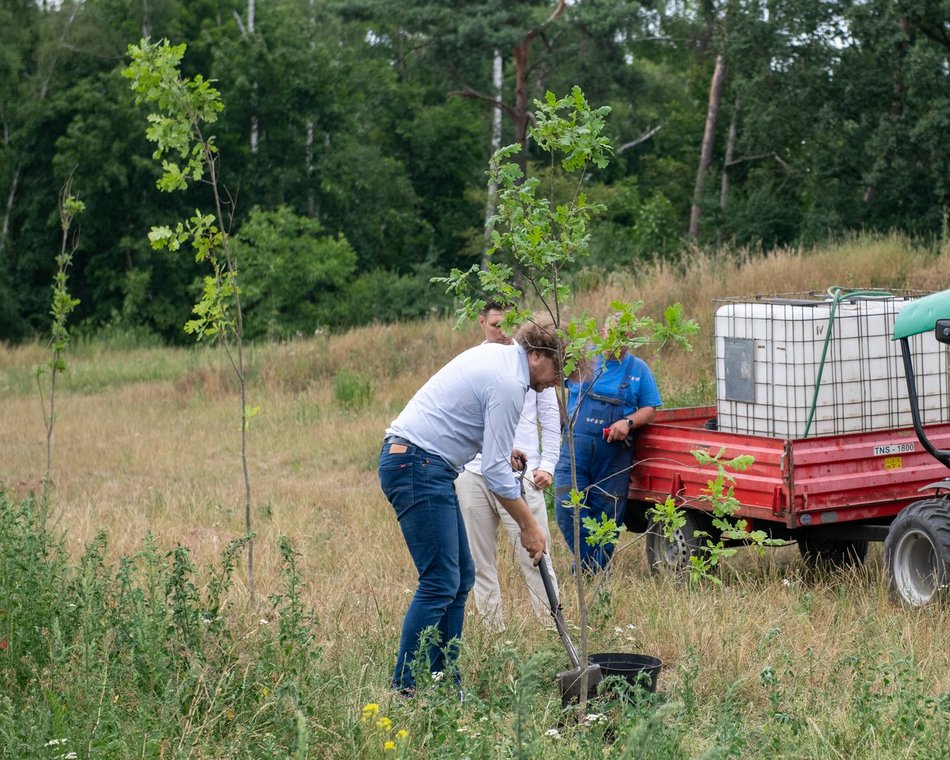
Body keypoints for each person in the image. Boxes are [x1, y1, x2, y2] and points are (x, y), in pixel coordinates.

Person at [379, 317, 562, 694]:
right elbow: (494, 474)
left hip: (421, 462)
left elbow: (468, 424)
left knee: (459, 576)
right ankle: (404, 688)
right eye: (558, 369)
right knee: (439, 581)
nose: (557, 381)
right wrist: (529, 525)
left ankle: (445, 683)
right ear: (539, 356)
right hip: (416, 464)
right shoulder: (511, 380)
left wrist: (499, 448)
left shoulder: (501, 361)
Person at [455, 303, 561, 629]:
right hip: (473, 472)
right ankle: (494, 638)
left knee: (536, 555)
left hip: (519, 472)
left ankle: (552, 633)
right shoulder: (479, 361)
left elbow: (550, 415)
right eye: (495, 323)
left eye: (507, 324)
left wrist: (549, 463)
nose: (501, 330)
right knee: (479, 563)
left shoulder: (534, 367)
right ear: (482, 322)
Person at [554, 315, 662, 572]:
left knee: (608, 514)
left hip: (613, 455)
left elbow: (650, 409)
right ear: (602, 332)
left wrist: (628, 422)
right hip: (575, 450)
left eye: (625, 336)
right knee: (566, 505)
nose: (619, 341)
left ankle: (592, 573)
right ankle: (590, 565)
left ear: (632, 338)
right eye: (614, 334)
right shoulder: (584, 358)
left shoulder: (638, 369)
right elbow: (550, 384)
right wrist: (559, 420)